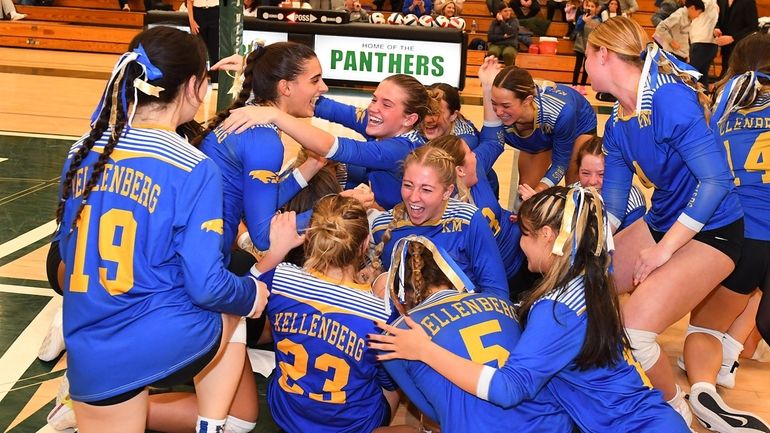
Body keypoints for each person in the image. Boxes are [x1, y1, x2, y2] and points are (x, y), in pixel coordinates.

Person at [53, 26, 268, 433]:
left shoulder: (82, 148)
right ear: (194, 86)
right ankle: (211, 424)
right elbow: (207, 286)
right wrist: (252, 293)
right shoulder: (191, 165)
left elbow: (65, 254)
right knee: (234, 297)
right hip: (159, 338)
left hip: (88, 339)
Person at [370, 186, 690, 433]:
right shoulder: (595, 272)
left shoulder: (555, 309)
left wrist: (425, 350)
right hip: (651, 418)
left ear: (549, 236)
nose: (520, 245)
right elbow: (589, 227)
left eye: (525, 234)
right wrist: (557, 211)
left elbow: (508, 389)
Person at [583, 17, 744, 425]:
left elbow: (716, 182)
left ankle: (675, 414)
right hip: (665, 222)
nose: (583, 63)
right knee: (584, 283)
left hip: (716, 230)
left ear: (604, 54)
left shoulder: (669, 98)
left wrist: (662, 251)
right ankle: (600, 387)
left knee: (635, 332)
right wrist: (581, 238)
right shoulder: (618, 122)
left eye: (586, 54)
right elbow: (615, 210)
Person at [379, 235, 575, 433]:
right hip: (552, 422)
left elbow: (433, 413)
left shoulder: (397, 335)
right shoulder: (503, 302)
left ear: (400, 293)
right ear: (451, 274)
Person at [678, 32, 770, 432]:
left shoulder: (725, 101)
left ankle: (703, 391)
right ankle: (731, 353)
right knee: (752, 311)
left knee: (701, 330)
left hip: (741, 232)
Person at [263, 194, 409, 433]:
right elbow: (388, 378)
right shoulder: (380, 312)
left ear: (309, 237)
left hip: (286, 414)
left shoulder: (280, 278)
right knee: (390, 384)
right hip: (350, 426)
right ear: (365, 243)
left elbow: (245, 289)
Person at [219, 74, 429, 210]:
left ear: (409, 120)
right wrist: (257, 73)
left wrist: (274, 115)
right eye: (374, 99)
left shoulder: (403, 149)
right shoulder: (385, 123)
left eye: (386, 104)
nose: (374, 108)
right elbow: (327, 107)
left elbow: (333, 147)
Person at [371, 145, 509, 299]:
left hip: (462, 319)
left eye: (426, 189)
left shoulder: (469, 221)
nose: (413, 197)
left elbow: (497, 293)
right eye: (408, 185)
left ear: (447, 192)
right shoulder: (382, 226)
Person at [490, 66, 597, 193]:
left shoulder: (562, 113)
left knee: (575, 187)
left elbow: (560, 164)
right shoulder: (498, 107)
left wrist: (541, 189)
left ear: (527, 100)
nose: (498, 112)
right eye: (494, 104)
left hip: (579, 125)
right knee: (526, 191)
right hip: (544, 128)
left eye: (506, 106)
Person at [520, 136, 646, 232]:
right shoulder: (571, 191)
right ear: (578, 170)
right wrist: (535, 207)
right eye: (585, 173)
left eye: (601, 174)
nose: (592, 182)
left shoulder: (633, 202)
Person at [713, 0, 758, 78]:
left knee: (738, 76)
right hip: (726, 49)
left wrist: (733, 38)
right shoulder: (722, 1)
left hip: (742, 49)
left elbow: (753, 27)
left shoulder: (748, 1)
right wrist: (717, 28)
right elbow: (720, 20)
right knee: (725, 74)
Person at [187, 0, 220, 83]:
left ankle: (216, 81)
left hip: (215, 11)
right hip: (198, 13)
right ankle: (198, 80)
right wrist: (191, 21)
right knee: (198, 49)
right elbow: (189, 2)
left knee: (215, 50)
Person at [688, 0, 718, 86]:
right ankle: (703, 97)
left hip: (702, 43)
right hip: (706, 43)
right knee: (702, 77)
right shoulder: (713, 4)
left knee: (691, 74)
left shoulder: (707, 3)